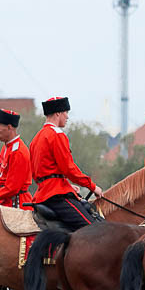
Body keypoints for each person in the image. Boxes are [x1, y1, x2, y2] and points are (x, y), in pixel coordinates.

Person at [29, 96, 103, 230]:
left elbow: (37, 173)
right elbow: (69, 169)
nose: (67, 117)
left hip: (43, 193)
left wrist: (67, 186)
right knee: (94, 230)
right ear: (58, 113)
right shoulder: (57, 134)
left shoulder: (36, 138)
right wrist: (92, 186)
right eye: (66, 113)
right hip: (56, 195)